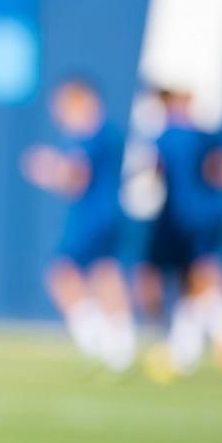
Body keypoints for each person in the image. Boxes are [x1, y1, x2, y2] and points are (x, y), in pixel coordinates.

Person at [21, 77, 135, 371]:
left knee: (61, 272)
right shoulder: (111, 132)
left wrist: (46, 168)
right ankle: (119, 343)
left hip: (91, 215)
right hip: (112, 213)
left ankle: (96, 339)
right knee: (104, 272)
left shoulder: (88, 134)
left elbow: (76, 177)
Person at [137, 88, 222, 381]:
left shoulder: (168, 136)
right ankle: (184, 351)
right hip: (208, 211)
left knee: (196, 277)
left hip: (183, 217)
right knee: (191, 283)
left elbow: (156, 172)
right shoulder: (205, 135)